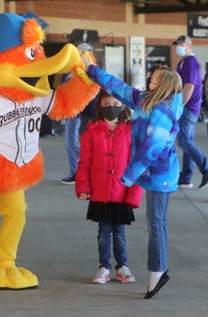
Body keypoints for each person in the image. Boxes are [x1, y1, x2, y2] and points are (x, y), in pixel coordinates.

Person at [82, 54, 184, 299]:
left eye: (155, 77)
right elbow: (119, 87)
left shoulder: (163, 113)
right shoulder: (144, 100)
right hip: (151, 174)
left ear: (163, 85)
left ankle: (158, 272)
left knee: (156, 223)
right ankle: (158, 270)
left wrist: (128, 176)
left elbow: (152, 149)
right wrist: (92, 70)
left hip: (161, 176)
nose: (150, 78)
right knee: (155, 223)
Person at [75, 89, 143, 285]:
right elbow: (84, 164)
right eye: (105, 105)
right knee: (104, 232)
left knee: (119, 232)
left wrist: (134, 195)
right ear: (99, 107)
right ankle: (104, 267)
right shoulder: (91, 133)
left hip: (122, 193)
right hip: (100, 193)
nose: (110, 108)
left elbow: (135, 165)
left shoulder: (131, 131)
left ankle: (122, 266)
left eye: (114, 104)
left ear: (122, 105)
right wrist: (82, 188)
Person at [172, 35, 208, 189]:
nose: (177, 47)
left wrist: (179, 106)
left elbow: (189, 87)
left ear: (187, 45)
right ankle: (186, 177)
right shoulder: (184, 62)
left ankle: (205, 168)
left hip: (188, 108)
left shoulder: (191, 63)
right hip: (188, 108)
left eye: (180, 44)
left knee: (183, 141)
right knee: (187, 142)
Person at [61, 42, 98, 184]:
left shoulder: (90, 70)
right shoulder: (74, 69)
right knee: (73, 141)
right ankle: (79, 170)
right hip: (77, 110)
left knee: (73, 141)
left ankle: (83, 168)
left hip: (83, 111)